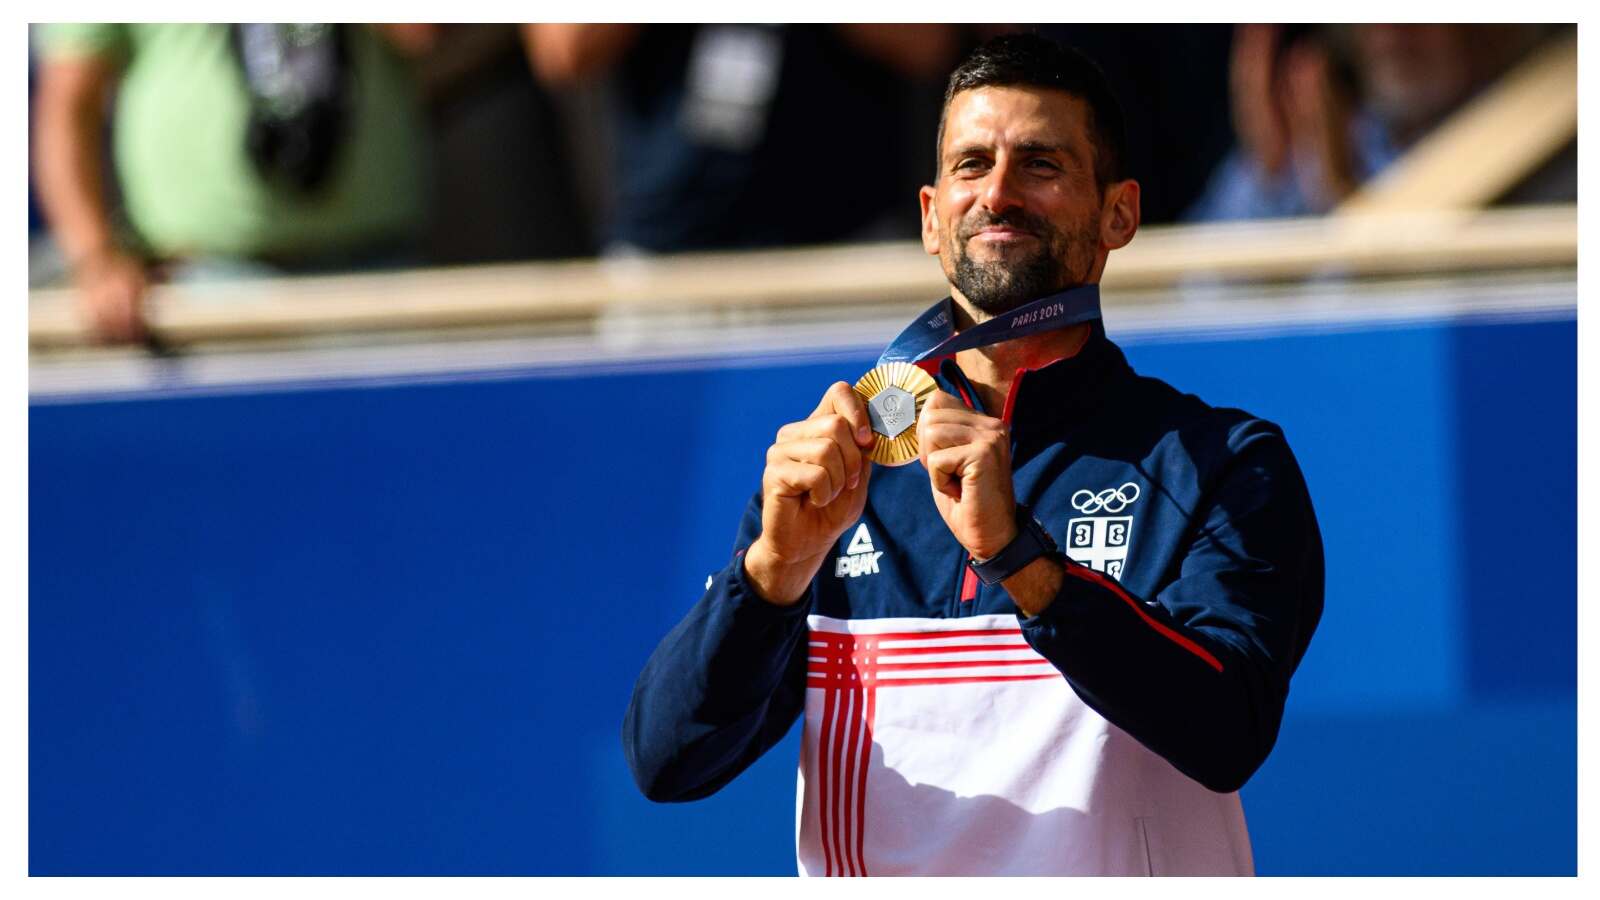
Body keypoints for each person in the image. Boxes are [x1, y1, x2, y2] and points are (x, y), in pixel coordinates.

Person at [624, 33, 1323, 876]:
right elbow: (667, 761)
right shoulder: (844, 473)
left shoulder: (1217, 463)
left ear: (1118, 215)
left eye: (1041, 165)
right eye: (971, 164)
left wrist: (1022, 562)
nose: (998, 192)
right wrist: (769, 574)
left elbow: (1227, 730)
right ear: (929, 216)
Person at [32, 24, 433, 344]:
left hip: (372, 277)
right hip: (196, 289)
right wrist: (97, 260)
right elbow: (68, 103)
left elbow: (423, 34)